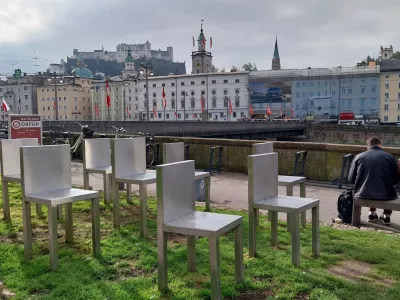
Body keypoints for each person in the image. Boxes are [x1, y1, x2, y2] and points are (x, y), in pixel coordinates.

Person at [348, 137, 399, 225]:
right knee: (385, 187)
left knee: (370, 184)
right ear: (380, 145)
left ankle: (371, 214)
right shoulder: (390, 157)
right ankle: (386, 216)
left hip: (362, 194)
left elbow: (351, 179)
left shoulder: (359, 156)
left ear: (368, 146)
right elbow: (394, 180)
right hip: (386, 195)